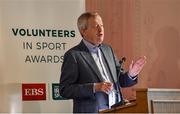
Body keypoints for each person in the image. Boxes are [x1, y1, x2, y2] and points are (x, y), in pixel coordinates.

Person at [59, 12, 146, 113]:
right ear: (83, 31)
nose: (100, 30)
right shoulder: (74, 55)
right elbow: (65, 90)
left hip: (117, 110)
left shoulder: (108, 50)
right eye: (95, 26)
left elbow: (120, 80)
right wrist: (94, 87)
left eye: (102, 26)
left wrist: (132, 74)